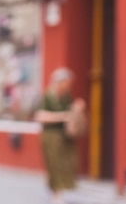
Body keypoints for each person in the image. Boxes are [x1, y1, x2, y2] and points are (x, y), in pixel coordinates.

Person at [34, 67, 86, 204]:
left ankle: (57, 190)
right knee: (55, 165)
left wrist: (76, 107)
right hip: (51, 136)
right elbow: (40, 116)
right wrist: (63, 116)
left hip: (65, 136)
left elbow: (70, 112)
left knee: (68, 163)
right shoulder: (48, 96)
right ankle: (56, 193)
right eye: (66, 82)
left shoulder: (66, 96)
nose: (68, 85)